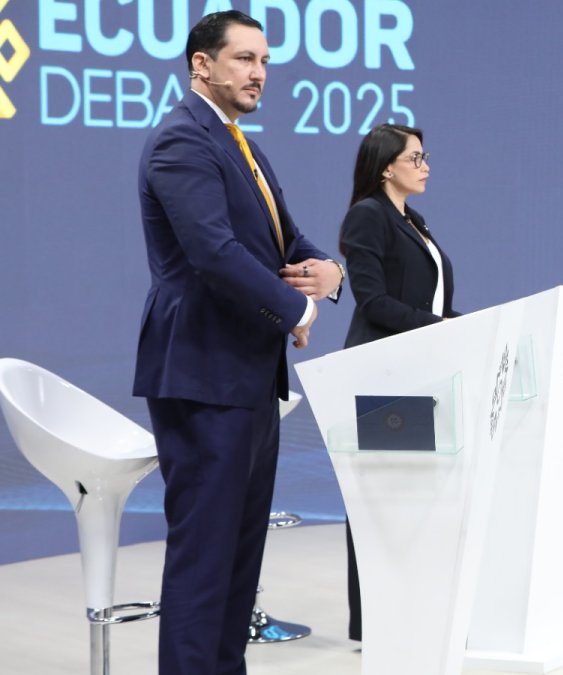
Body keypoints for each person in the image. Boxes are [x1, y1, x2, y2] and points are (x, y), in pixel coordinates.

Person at [134, 11, 344, 673]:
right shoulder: (180, 140)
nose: (259, 74)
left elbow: (287, 238)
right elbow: (214, 254)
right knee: (205, 558)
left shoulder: (239, 143)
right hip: (202, 373)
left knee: (238, 556)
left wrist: (331, 274)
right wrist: (295, 310)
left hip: (250, 377)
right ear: (202, 64)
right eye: (244, 59)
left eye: (264, 62)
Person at [338, 124, 459, 639]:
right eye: (417, 156)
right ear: (387, 165)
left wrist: (461, 323)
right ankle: (374, 621)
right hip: (382, 372)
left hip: (419, 369)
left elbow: (427, 301)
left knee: (412, 498)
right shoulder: (367, 217)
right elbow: (374, 302)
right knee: (378, 504)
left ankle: (412, 607)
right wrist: (443, 327)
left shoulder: (415, 220)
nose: (426, 164)